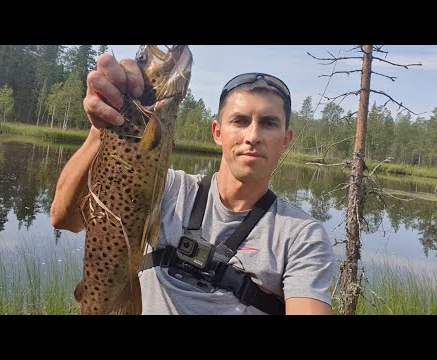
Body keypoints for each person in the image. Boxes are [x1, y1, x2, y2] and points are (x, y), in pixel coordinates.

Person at [51, 52, 335, 315]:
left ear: (286, 140)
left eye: (269, 123)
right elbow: (64, 218)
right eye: (240, 120)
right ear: (218, 132)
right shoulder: (169, 190)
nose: (253, 135)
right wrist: (101, 128)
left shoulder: (301, 236)